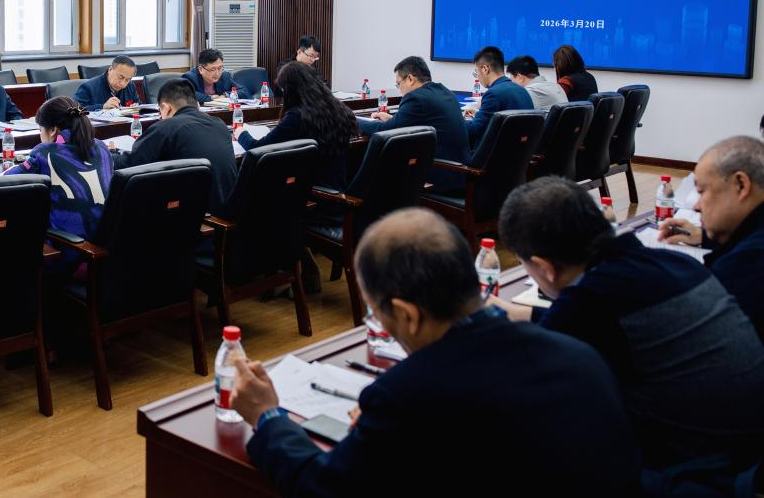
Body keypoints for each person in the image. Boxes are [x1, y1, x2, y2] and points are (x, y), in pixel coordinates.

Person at [230, 208, 639, 496]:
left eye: (377, 313)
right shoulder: (580, 356)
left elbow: (325, 486)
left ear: (407, 315)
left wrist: (266, 416)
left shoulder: (406, 398)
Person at [496, 177, 764, 492]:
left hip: (698, 472)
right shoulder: (671, 261)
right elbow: (601, 327)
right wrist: (519, 313)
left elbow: (527, 381)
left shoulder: (591, 300)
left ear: (545, 268)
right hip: (749, 446)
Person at [660, 136, 764, 341]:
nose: (697, 206)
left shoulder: (746, 264)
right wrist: (704, 237)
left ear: (741, 185)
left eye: (701, 191)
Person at [5, 96, 114, 274]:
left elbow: (8, 181)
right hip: (106, 254)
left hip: (71, 255)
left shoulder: (44, 153)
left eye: (40, 129)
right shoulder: (102, 148)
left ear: (53, 130)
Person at [113, 78, 237, 216]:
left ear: (166, 108)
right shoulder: (219, 124)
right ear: (197, 105)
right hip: (226, 212)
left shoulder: (166, 127)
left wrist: (109, 153)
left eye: (160, 112)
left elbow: (128, 164)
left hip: (195, 217)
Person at [239, 61, 358, 191]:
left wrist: (241, 134)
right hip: (336, 185)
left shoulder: (297, 116)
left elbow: (258, 149)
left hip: (315, 192)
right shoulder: (339, 109)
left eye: (284, 90)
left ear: (292, 90)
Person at [358, 56, 468, 191]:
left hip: (442, 178)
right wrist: (392, 118)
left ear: (410, 78)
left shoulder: (416, 98)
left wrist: (353, 120)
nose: (400, 91)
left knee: (380, 170)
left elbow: (384, 130)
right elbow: (420, 120)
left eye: (398, 84)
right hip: (461, 175)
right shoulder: (444, 92)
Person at [464, 45, 533, 147]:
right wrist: (479, 115)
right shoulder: (523, 91)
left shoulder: (493, 94)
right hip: (518, 154)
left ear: (485, 69)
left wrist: (456, 119)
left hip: (490, 155)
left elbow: (473, 131)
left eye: (476, 72)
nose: (477, 76)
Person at [181, 48, 248, 103]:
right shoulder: (190, 77)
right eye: (212, 69)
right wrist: (211, 98)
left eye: (220, 68)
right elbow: (185, 94)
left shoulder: (225, 76)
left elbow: (244, 91)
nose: (217, 73)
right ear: (201, 69)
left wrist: (226, 95)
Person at [74, 55, 139, 111]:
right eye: (120, 77)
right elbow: (76, 110)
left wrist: (135, 107)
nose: (123, 83)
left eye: (127, 80)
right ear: (110, 70)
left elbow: (138, 104)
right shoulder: (88, 87)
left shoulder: (131, 86)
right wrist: (102, 107)